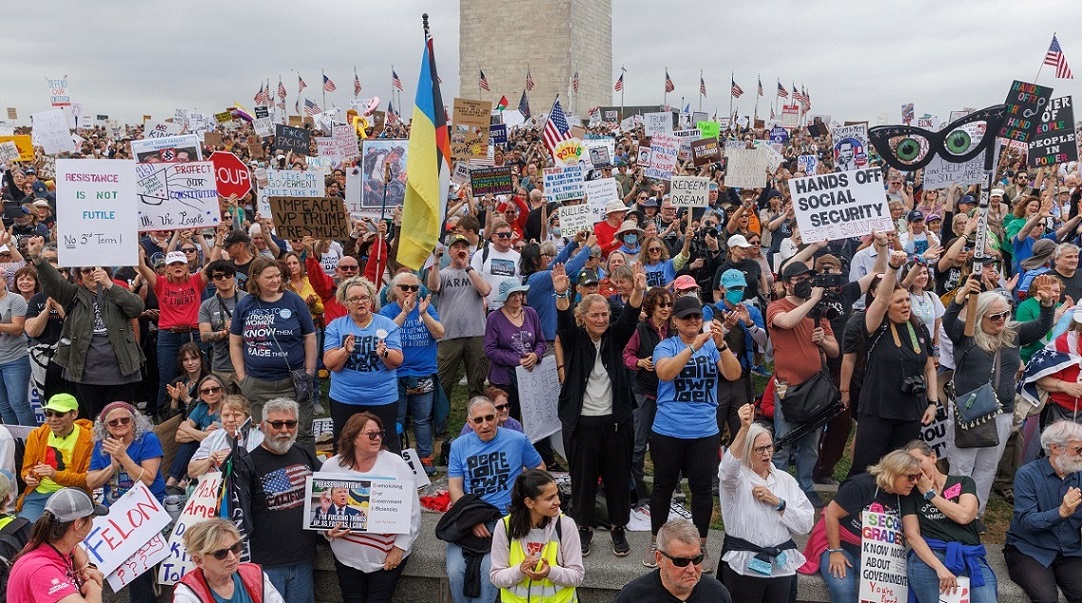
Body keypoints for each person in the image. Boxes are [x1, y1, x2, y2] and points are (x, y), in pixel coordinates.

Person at [553, 262, 646, 558]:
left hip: (616, 421)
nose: (602, 319)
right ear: (584, 317)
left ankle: (618, 529)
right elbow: (564, 322)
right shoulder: (574, 339)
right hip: (583, 423)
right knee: (582, 480)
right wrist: (562, 294)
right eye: (595, 315)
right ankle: (584, 528)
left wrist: (638, 291)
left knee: (618, 478)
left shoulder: (614, 337)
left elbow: (630, 318)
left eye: (605, 314)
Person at [945, 276, 1055, 516]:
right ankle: (951, 513)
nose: (1002, 320)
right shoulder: (966, 335)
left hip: (1002, 411)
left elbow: (1041, 327)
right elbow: (948, 321)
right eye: (995, 316)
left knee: (987, 467)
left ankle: (975, 514)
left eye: (1005, 314)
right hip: (969, 410)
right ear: (980, 315)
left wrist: (1047, 305)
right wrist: (961, 296)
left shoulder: (1012, 333)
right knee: (961, 466)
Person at [646, 295, 741, 570]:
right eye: (686, 317)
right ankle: (656, 542)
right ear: (675, 321)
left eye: (697, 317)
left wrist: (721, 344)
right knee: (663, 487)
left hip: (704, 430)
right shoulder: (666, 346)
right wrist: (692, 348)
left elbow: (733, 374)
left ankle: (700, 545)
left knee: (701, 490)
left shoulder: (712, 345)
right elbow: (665, 373)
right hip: (668, 429)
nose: (693, 322)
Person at [28, 236, 145, 417]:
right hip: (86, 374)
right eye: (86, 270)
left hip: (121, 373)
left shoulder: (117, 291)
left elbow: (136, 308)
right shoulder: (72, 294)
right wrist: (38, 259)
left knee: (120, 420)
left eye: (97, 269)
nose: (92, 273)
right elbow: (53, 282)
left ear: (106, 271)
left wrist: (109, 285)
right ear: (79, 275)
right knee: (94, 421)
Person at [848, 250, 939, 476]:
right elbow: (880, 299)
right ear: (887, 306)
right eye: (899, 301)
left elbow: (929, 367)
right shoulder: (874, 326)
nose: (906, 305)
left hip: (910, 411)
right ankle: (853, 509)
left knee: (899, 472)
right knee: (867, 469)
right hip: (878, 410)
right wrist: (892, 267)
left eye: (908, 300)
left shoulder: (917, 329)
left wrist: (932, 402)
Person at [446, 396, 544, 603]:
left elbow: (540, 470)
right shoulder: (459, 446)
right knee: (455, 571)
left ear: (498, 416)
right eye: (478, 420)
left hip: (504, 518)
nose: (485, 424)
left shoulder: (517, 440)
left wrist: (522, 495)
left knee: (489, 571)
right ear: (469, 422)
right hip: (469, 517)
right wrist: (471, 518)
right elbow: (455, 486)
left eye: (489, 417)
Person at [321, 412, 422, 603]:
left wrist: (399, 548)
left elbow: (413, 513)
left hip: (387, 556)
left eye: (380, 433)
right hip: (347, 556)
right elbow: (319, 515)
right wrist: (327, 532)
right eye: (371, 434)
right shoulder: (331, 467)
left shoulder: (396, 464)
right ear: (353, 438)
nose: (377, 438)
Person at [718, 403, 813, 601]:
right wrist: (744, 429)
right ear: (746, 451)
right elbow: (726, 469)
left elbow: (805, 524)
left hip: (780, 565)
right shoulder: (736, 480)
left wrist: (779, 503)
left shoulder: (785, 480)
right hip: (744, 566)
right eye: (759, 449)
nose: (767, 454)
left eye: (769, 447)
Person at [801, 450, 921, 603]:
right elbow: (831, 513)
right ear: (894, 472)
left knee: (892, 589)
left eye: (918, 477)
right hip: (842, 543)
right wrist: (835, 551)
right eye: (911, 477)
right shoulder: (861, 485)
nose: (915, 482)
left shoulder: (906, 493)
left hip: (879, 552)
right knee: (842, 587)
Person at [769, 261, 839, 507]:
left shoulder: (817, 312)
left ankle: (806, 486)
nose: (805, 284)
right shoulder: (777, 306)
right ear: (787, 283)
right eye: (798, 280)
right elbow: (786, 322)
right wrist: (813, 300)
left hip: (815, 388)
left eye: (808, 279)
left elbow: (834, 350)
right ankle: (780, 486)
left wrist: (823, 341)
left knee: (811, 444)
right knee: (783, 442)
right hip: (787, 388)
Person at [229, 257, 318, 452]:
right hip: (257, 384)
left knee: (300, 432)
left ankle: (306, 475)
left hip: (293, 382)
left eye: (278, 276)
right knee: (263, 434)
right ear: (255, 278)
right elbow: (235, 343)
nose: (275, 281)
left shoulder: (294, 301)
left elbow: (310, 337)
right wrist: (242, 378)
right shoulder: (245, 305)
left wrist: (309, 373)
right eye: (269, 277)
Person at [85, 401, 165, 603]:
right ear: (105, 427)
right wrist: (112, 467)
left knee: (135, 559)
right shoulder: (101, 446)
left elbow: (148, 479)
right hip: (114, 511)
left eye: (125, 419)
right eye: (113, 422)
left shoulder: (148, 439)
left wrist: (123, 457)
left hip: (147, 508)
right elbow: (91, 481)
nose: (120, 424)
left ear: (134, 421)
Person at [901, 440, 997, 603]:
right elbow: (912, 535)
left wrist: (931, 495)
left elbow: (964, 516)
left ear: (932, 458)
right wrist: (939, 568)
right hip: (931, 557)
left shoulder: (963, 483)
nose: (916, 468)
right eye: (910, 464)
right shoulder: (911, 493)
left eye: (919, 461)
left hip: (969, 556)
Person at [1004, 420, 1082, 603]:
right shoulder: (1027, 474)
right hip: (1030, 549)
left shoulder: (1079, 475)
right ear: (1055, 448)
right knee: (1046, 599)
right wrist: (1061, 512)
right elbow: (1026, 521)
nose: (1081, 455)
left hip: (1070, 551)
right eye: (1078, 450)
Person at [324, 276, 404, 453]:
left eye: (364, 297)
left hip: (382, 398)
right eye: (354, 298)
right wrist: (345, 351)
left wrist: (384, 353)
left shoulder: (387, 325)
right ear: (346, 303)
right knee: (344, 445)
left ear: (371, 300)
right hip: (345, 398)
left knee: (387, 443)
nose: (360, 301)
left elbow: (396, 361)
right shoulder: (335, 326)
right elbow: (331, 364)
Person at [379, 272, 443, 473]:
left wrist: (423, 314)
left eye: (414, 288)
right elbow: (384, 333)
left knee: (422, 420)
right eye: (404, 287)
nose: (409, 291)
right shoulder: (387, 311)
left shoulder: (427, 308)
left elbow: (440, 332)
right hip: (395, 375)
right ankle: (395, 459)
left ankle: (425, 458)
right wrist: (405, 313)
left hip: (423, 374)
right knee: (396, 420)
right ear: (393, 290)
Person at [490, 470, 584, 602]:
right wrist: (520, 570)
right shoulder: (504, 526)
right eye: (549, 498)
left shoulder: (566, 525)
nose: (557, 501)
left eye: (557, 494)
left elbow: (577, 576)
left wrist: (550, 572)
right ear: (529, 502)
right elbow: (496, 577)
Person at [137, 247, 208, 415]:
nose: (177, 267)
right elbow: (141, 266)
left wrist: (215, 241)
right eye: (173, 264)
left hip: (193, 334)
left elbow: (211, 263)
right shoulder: (161, 283)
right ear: (167, 268)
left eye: (181, 263)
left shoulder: (196, 281)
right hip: (168, 336)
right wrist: (139, 251)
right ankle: (165, 418)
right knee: (166, 379)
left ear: (187, 266)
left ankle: (200, 414)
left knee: (200, 376)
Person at [7, 488, 108, 603]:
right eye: (91, 517)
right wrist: (94, 588)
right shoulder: (42, 570)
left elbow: (75, 548)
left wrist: (87, 567)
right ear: (78, 523)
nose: (92, 523)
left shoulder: (54, 543)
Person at [623, 286, 672, 507]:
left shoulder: (674, 328)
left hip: (670, 395)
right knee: (638, 444)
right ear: (652, 306)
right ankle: (637, 488)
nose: (667, 308)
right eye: (662, 304)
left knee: (667, 443)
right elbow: (627, 355)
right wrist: (641, 363)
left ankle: (668, 487)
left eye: (670, 304)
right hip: (644, 393)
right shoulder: (640, 329)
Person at [429, 234, 491, 402]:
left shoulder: (475, 273)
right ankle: (440, 426)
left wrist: (467, 267)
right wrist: (435, 261)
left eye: (464, 246)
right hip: (449, 335)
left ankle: (477, 423)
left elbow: (485, 291)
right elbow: (433, 286)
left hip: (476, 333)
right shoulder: (443, 273)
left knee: (477, 382)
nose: (461, 250)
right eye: (456, 247)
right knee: (443, 383)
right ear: (450, 252)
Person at [613, 518, 732, 603]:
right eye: (681, 561)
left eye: (697, 559)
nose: (691, 570)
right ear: (659, 559)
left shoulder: (718, 595)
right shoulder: (632, 597)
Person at [17, 393, 94, 522]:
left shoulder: (89, 439)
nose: (52, 419)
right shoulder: (36, 435)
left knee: (59, 533)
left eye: (59, 414)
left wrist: (55, 475)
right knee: (25, 531)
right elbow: (27, 469)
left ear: (74, 414)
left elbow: (88, 479)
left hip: (72, 496)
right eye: (48, 413)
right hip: (39, 495)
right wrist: (29, 477)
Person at [174, 518, 286, 603]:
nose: (232, 557)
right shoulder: (187, 594)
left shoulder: (255, 575)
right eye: (220, 553)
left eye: (235, 548)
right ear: (199, 560)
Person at [166, 374, 226, 492]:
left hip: (218, 451)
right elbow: (178, 436)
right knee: (191, 443)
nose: (211, 393)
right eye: (206, 391)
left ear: (222, 391)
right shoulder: (201, 407)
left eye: (215, 389)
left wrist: (188, 430)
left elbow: (216, 439)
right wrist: (203, 435)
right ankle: (171, 482)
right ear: (201, 396)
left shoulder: (226, 409)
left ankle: (183, 483)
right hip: (202, 448)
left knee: (196, 443)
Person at [199, 260, 248, 393]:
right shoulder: (207, 305)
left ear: (234, 276)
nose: (224, 279)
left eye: (228, 275)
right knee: (224, 408)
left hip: (247, 364)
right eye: (219, 276)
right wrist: (224, 332)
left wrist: (238, 327)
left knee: (249, 406)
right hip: (222, 366)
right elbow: (204, 336)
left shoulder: (249, 299)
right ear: (212, 280)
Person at [188, 395, 264, 478]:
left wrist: (233, 460)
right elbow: (191, 472)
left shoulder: (260, 437)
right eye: (226, 415)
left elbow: (265, 468)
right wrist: (209, 461)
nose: (230, 420)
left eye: (236, 415)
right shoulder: (214, 436)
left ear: (247, 417)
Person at [0, 266, 31, 425]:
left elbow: (18, 328)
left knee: (19, 403)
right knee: (3, 406)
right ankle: (15, 445)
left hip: (15, 359)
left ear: (4, 280)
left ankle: (32, 442)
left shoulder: (15, 299)